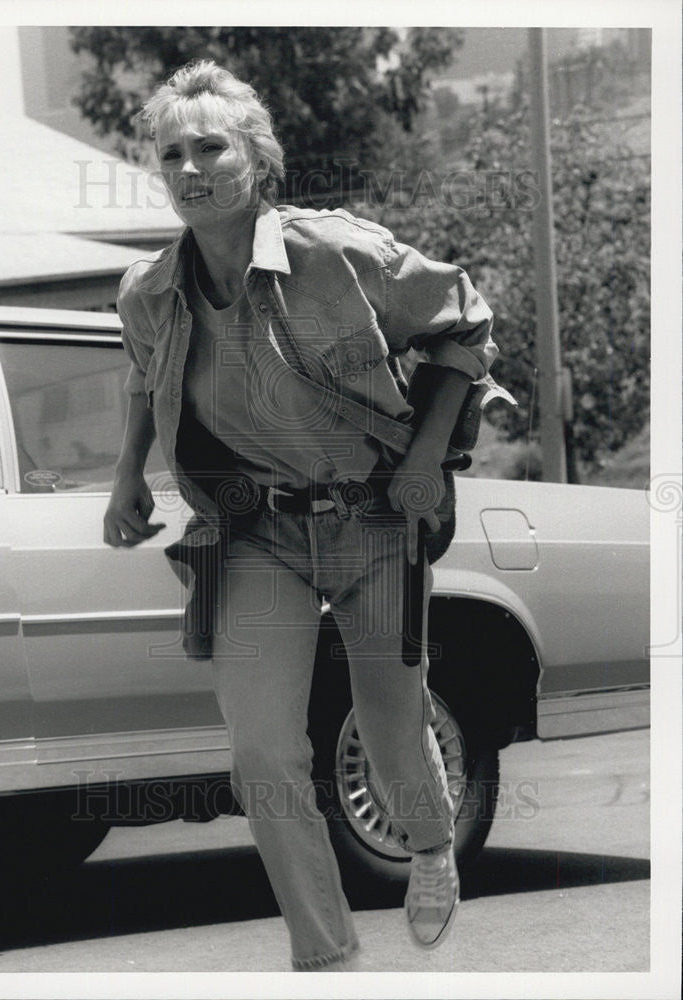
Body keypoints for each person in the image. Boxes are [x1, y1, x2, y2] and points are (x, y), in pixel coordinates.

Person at [104, 60, 498, 972]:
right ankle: (327, 959)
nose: (191, 170)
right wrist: (127, 474)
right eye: (173, 155)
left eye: (211, 148)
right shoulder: (147, 291)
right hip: (254, 534)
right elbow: (143, 376)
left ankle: (431, 848)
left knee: (389, 730)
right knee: (262, 754)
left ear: (257, 158)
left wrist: (428, 460)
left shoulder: (336, 255)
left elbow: (465, 323)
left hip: (375, 522)